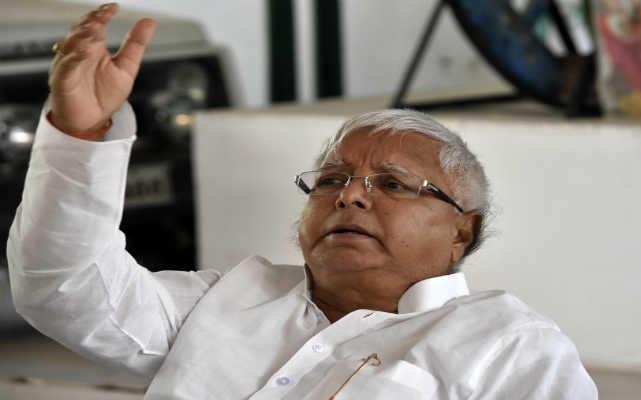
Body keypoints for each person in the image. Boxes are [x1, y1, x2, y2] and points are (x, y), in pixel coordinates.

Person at [6, 3, 597, 399]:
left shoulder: (504, 344)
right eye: (331, 180)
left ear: (461, 232)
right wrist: (80, 132)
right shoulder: (226, 302)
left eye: (392, 184)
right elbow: (66, 291)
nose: (351, 196)